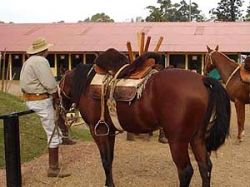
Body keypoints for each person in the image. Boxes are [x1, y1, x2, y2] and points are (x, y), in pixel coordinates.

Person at [20, 37, 72, 178]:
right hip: (40, 100)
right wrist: (56, 96)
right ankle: (53, 168)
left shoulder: (29, 61)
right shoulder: (41, 61)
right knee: (52, 132)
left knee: (55, 126)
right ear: (44, 50)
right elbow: (49, 83)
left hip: (31, 98)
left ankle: (64, 137)